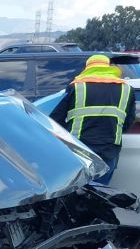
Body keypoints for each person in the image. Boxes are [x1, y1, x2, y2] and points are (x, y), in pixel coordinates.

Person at [49, 55, 135, 185]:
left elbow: (55, 120)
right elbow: (128, 121)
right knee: (100, 194)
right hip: (109, 151)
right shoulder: (126, 89)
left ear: (88, 68)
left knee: (76, 195)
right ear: (108, 67)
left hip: (79, 150)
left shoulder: (77, 87)